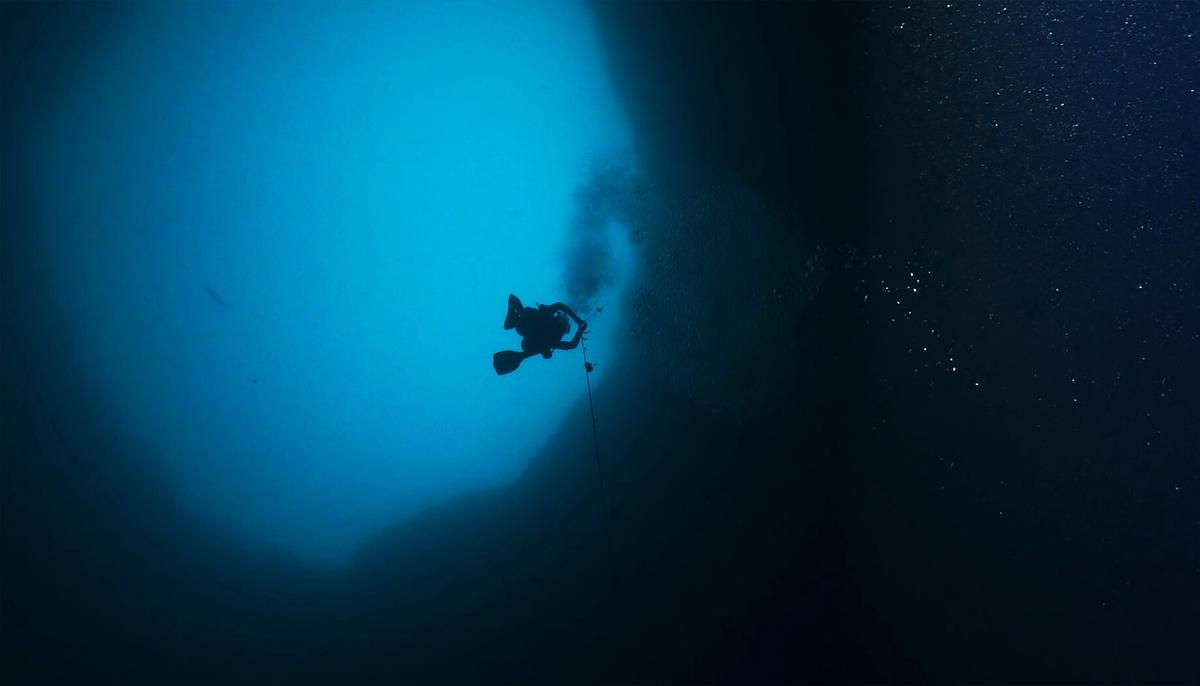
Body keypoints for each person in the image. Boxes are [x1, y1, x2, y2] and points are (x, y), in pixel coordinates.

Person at [493, 294, 587, 375]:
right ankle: (515, 318)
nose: (568, 326)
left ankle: (515, 318)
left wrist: (578, 324)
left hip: (528, 327)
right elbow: (572, 345)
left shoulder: (550, 336)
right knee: (524, 337)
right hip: (528, 324)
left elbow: (559, 306)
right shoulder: (551, 337)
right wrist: (579, 326)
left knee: (523, 336)